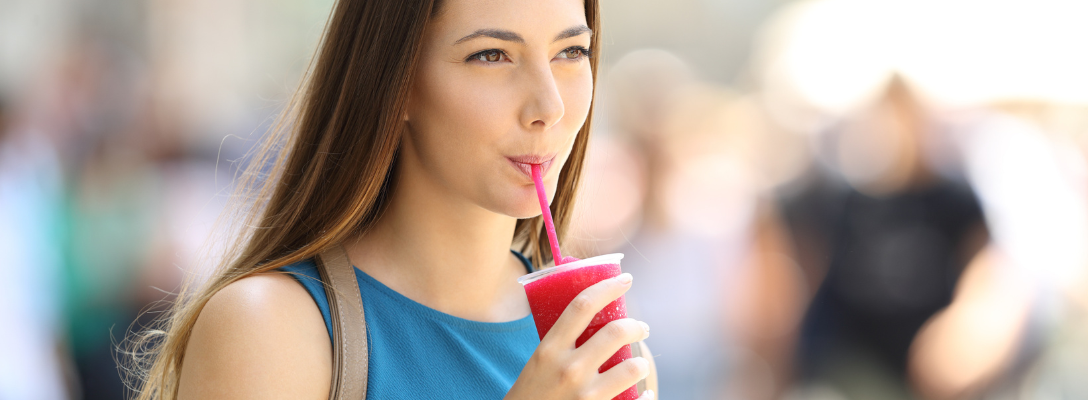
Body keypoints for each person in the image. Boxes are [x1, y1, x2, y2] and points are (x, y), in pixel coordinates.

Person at [126, 0, 658, 399]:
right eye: (491, 55)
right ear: (397, 81)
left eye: (571, 51)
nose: (550, 106)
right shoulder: (269, 329)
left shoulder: (590, 343)